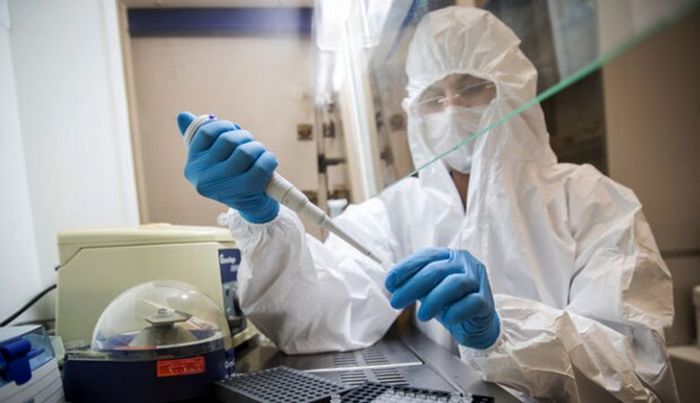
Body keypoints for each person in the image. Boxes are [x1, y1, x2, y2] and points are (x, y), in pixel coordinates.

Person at [176, 7, 677, 402]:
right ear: (413, 111)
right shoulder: (399, 211)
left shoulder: (595, 202)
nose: (451, 108)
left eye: (472, 88)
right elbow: (315, 320)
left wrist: (503, 333)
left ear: (514, 91)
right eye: (434, 98)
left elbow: (637, 372)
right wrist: (264, 219)